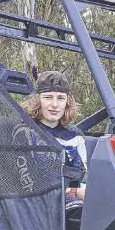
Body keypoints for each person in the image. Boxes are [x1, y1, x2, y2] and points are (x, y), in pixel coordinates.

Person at [23, 70, 87, 200]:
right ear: (38, 100)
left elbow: (82, 176)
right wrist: (66, 191)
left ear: (67, 102)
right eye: (48, 97)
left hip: (70, 204)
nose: (55, 104)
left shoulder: (75, 137)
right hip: (34, 203)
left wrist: (82, 190)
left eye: (60, 98)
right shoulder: (24, 132)